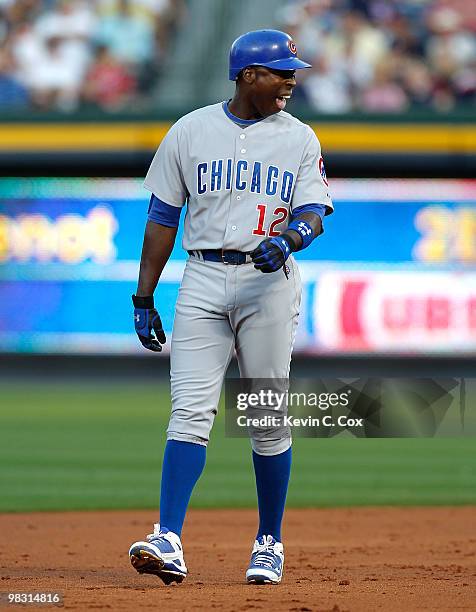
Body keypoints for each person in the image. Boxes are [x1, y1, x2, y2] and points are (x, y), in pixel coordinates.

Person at [128, 29, 333, 586]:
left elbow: (315, 210)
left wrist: (291, 238)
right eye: (281, 72)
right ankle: (168, 536)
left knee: (264, 416)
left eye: (292, 72)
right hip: (202, 275)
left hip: (268, 284)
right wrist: (144, 295)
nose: (292, 81)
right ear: (247, 76)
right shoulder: (190, 130)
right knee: (190, 412)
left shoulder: (299, 138)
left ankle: (269, 541)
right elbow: (161, 218)